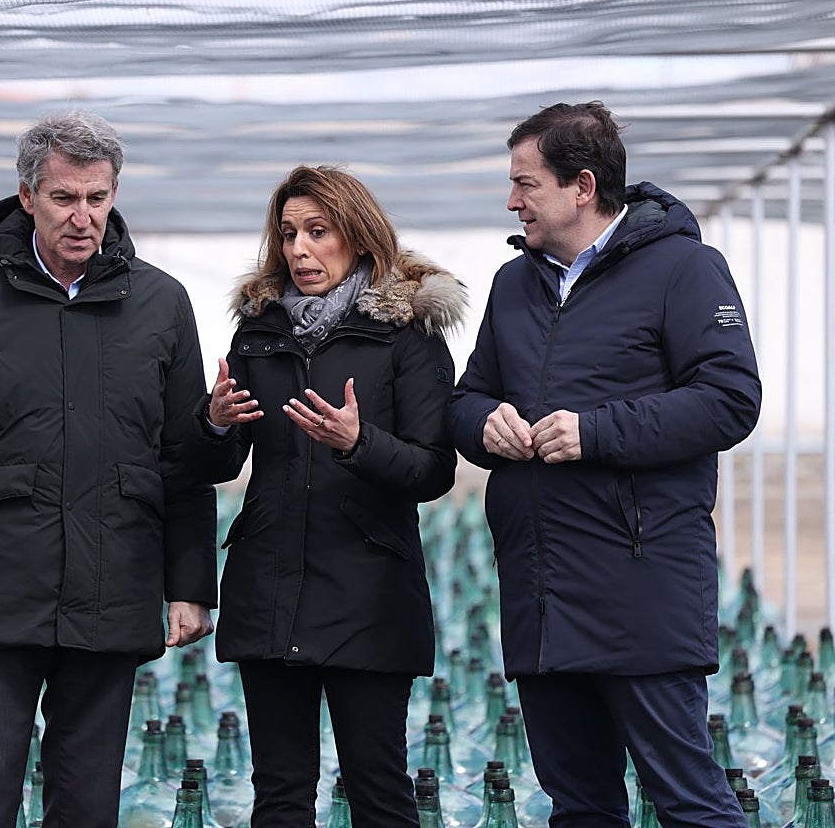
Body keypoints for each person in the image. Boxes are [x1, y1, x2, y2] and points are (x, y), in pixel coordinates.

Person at [0, 109, 218, 828]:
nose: (83, 217)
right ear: (27, 194)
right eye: (65, 198)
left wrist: (189, 583)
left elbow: (180, 457)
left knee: (88, 799)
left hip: (114, 586)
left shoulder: (160, 303)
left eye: (98, 198)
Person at [447, 102, 761, 827]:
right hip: (540, 596)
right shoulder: (513, 284)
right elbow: (468, 399)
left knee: (688, 800)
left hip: (640, 590)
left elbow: (730, 399)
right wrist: (483, 423)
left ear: (582, 186)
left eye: (526, 183)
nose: (511, 199)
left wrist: (595, 432)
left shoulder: (684, 269)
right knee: (580, 806)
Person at [185, 165, 466, 827]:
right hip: (269, 588)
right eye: (288, 234)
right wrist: (214, 422)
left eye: (318, 231)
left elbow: (433, 470)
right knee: (279, 795)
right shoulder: (260, 332)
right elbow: (218, 465)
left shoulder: (407, 336)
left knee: (378, 790)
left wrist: (358, 442)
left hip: (368, 595)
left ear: (360, 239)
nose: (299, 250)